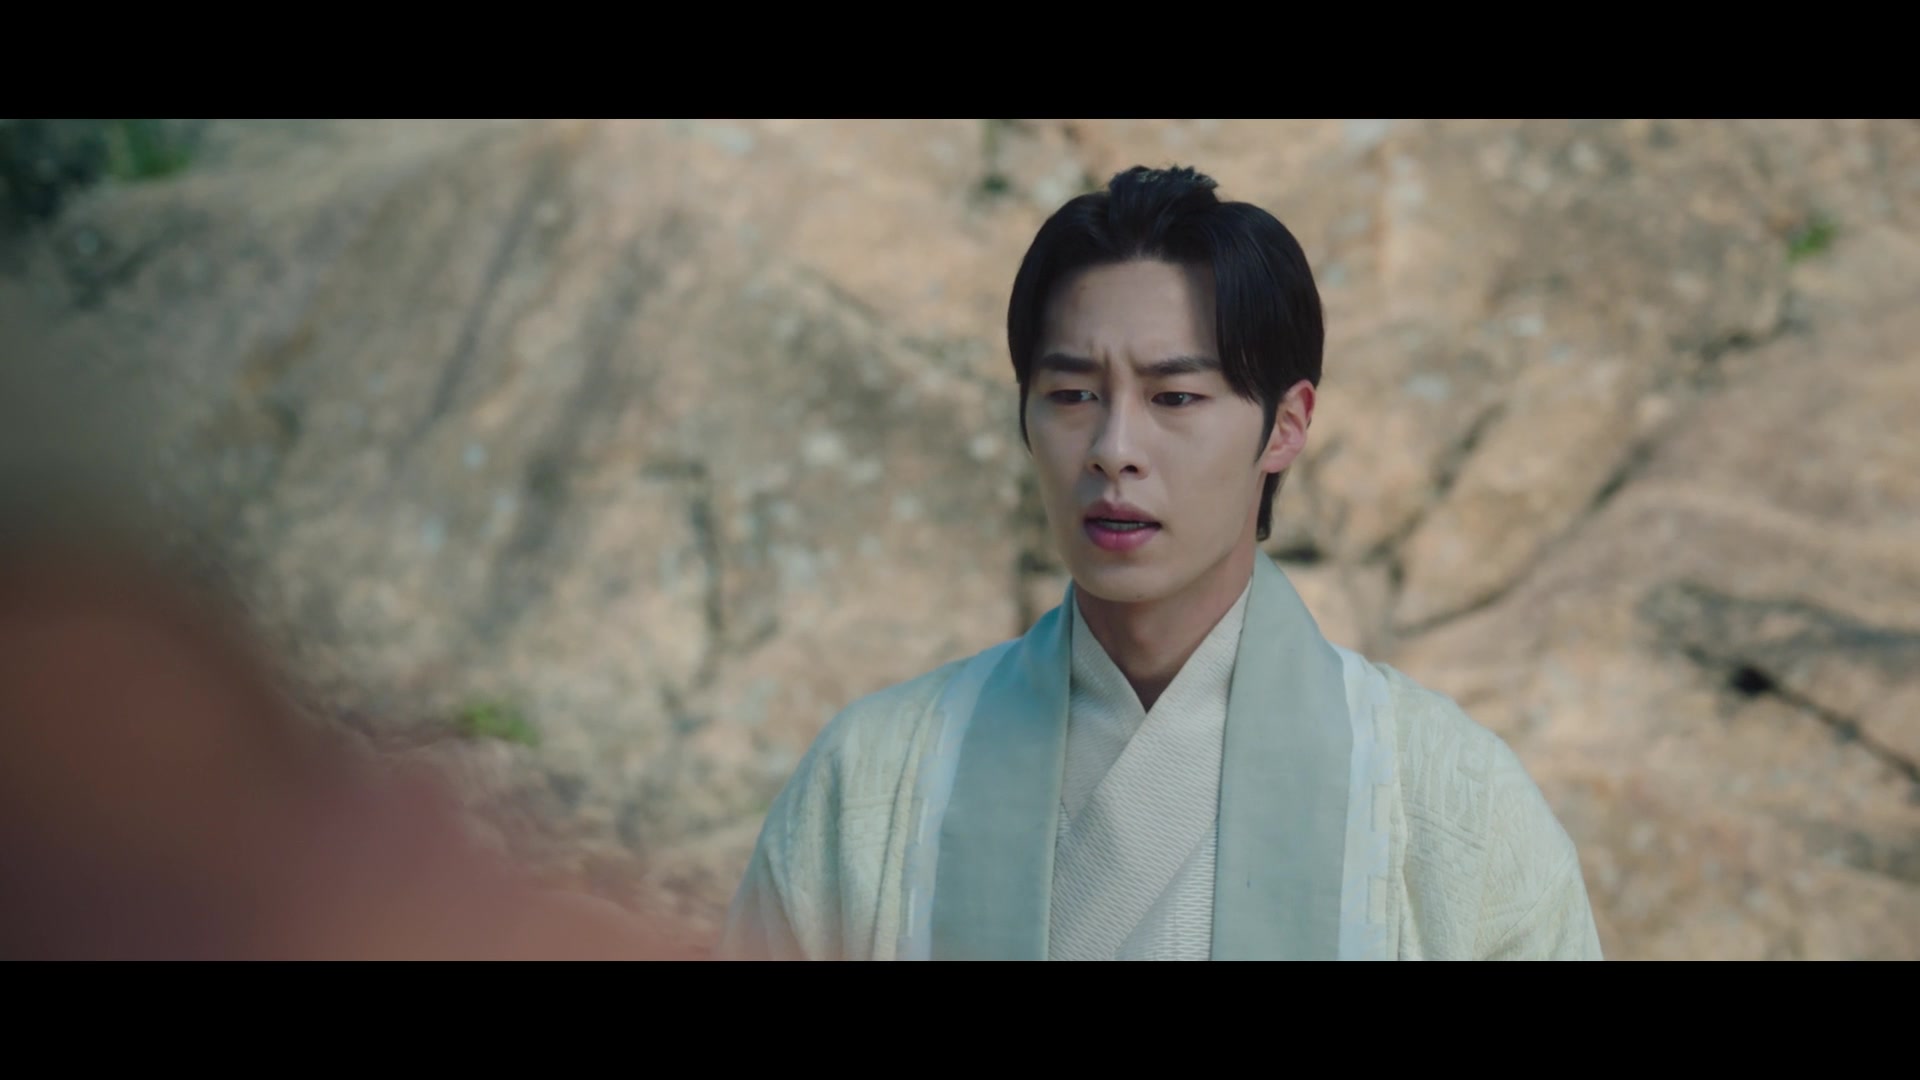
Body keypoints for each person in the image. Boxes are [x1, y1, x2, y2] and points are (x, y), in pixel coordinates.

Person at [717, 165, 1603, 961]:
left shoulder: (1450, 806)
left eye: (1174, 396)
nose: (1114, 449)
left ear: (1286, 426)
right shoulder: (869, 784)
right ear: (1024, 415)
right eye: (1072, 394)